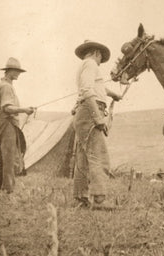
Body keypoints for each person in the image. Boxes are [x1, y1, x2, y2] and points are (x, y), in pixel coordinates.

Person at [72, 40, 122, 209]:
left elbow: (96, 87)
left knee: (84, 158)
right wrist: (98, 118)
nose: (101, 61)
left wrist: (114, 94)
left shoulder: (86, 65)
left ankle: (81, 197)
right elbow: (87, 90)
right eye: (101, 57)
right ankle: (99, 200)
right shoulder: (91, 64)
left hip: (83, 113)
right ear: (96, 53)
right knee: (99, 155)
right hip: (90, 111)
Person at [0, 57, 36, 193]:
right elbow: (7, 108)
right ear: (8, 71)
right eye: (16, 70)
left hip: (0, 124)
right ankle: (8, 190)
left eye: (19, 71)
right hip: (7, 125)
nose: (18, 73)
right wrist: (24, 110)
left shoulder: (2, 85)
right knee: (9, 158)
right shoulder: (6, 87)